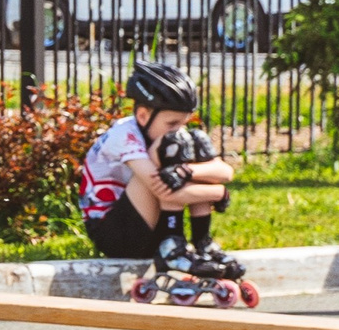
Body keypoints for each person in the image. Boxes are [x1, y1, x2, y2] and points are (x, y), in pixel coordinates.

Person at [80, 62, 238, 275]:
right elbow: (161, 188)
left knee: (195, 141)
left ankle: (202, 243)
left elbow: (225, 172)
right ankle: (171, 249)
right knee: (170, 154)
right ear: (143, 116)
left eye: (182, 123)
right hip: (117, 235)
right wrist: (218, 192)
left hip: (148, 226)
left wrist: (187, 172)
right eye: (172, 123)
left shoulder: (165, 133)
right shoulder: (124, 135)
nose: (178, 130)